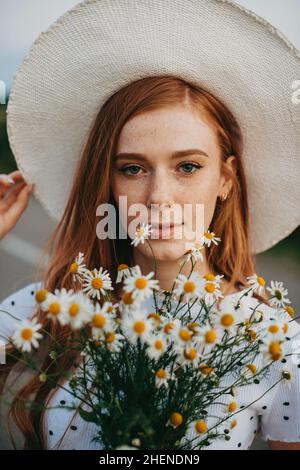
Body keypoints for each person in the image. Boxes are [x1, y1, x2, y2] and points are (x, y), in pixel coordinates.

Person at [0, 0, 300, 450]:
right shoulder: (51, 312)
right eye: (133, 169)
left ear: (225, 178)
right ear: (108, 182)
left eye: (188, 167)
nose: (159, 198)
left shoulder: (275, 342)